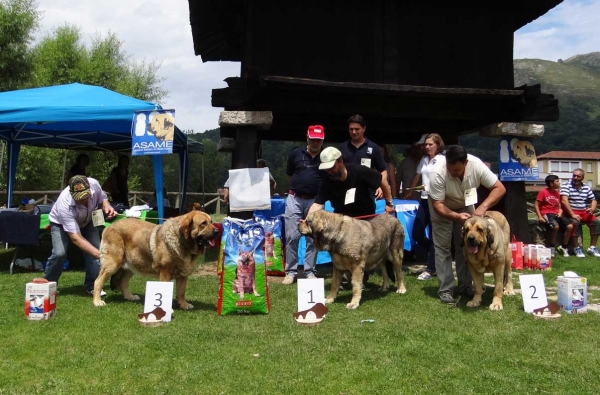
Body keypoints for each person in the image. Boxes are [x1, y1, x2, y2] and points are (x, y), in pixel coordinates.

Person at [428, 145, 506, 304]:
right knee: (443, 247)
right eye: (450, 169)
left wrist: (482, 208)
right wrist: (456, 216)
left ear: (466, 163)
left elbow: (499, 188)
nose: (453, 173)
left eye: (457, 170)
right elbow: (438, 204)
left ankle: (466, 286)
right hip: (442, 205)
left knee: (468, 246)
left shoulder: (477, 166)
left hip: (466, 203)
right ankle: (446, 289)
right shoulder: (437, 172)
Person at [44, 175, 117, 295]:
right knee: (59, 253)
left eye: (86, 196)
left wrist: (107, 206)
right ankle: (48, 285)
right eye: (80, 198)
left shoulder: (94, 183)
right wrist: (101, 255)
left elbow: (103, 199)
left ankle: (92, 286)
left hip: (88, 221)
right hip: (60, 224)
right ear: (72, 193)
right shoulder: (64, 204)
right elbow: (76, 238)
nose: (84, 200)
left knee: (95, 251)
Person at [281, 125, 325, 285]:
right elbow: (289, 176)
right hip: (295, 199)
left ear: (322, 140)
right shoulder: (295, 154)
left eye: (318, 140)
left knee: (313, 238)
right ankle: (291, 272)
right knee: (292, 236)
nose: (315, 142)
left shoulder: (326, 156)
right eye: (313, 139)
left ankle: (309, 271)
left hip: (316, 201)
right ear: (307, 137)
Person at [308, 146, 395, 217]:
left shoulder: (359, 171)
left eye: (332, 167)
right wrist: (308, 220)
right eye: (326, 168)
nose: (329, 171)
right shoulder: (326, 181)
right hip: (343, 221)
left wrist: (389, 204)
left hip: (366, 218)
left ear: (340, 161)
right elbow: (317, 204)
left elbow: (381, 181)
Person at [405, 133, 445, 281]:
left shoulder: (442, 160)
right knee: (416, 232)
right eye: (426, 144)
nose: (427, 147)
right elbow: (417, 176)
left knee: (435, 234)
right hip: (423, 199)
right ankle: (436, 254)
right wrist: (409, 191)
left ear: (438, 145)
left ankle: (430, 268)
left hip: (436, 200)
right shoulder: (424, 159)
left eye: (430, 144)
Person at [339, 114, 388, 199]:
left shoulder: (373, 147)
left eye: (357, 129)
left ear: (364, 129)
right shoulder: (342, 148)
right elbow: (336, 169)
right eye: (351, 129)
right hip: (346, 193)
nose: (354, 132)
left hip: (368, 194)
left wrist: (380, 184)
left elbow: (383, 170)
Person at [559, 168, 600, 258]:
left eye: (578, 176)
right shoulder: (566, 185)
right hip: (570, 211)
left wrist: (592, 208)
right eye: (574, 176)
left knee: (596, 222)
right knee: (575, 223)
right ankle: (577, 248)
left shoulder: (586, 187)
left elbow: (593, 199)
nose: (576, 178)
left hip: (583, 211)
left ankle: (592, 247)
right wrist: (572, 214)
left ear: (582, 177)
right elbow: (564, 201)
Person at [534, 174, 573, 255]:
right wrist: (540, 216)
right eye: (557, 181)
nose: (559, 183)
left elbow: (560, 206)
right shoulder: (543, 192)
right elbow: (536, 205)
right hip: (547, 213)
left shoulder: (557, 193)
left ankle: (564, 247)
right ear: (551, 184)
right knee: (556, 226)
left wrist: (560, 212)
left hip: (557, 213)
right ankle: (552, 246)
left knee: (570, 226)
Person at [399, 136, 426, 200]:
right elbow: (397, 180)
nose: (417, 150)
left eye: (419, 148)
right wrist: (396, 196)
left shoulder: (427, 161)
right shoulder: (405, 162)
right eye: (414, 148)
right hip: (407, 199)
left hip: (424, 199)